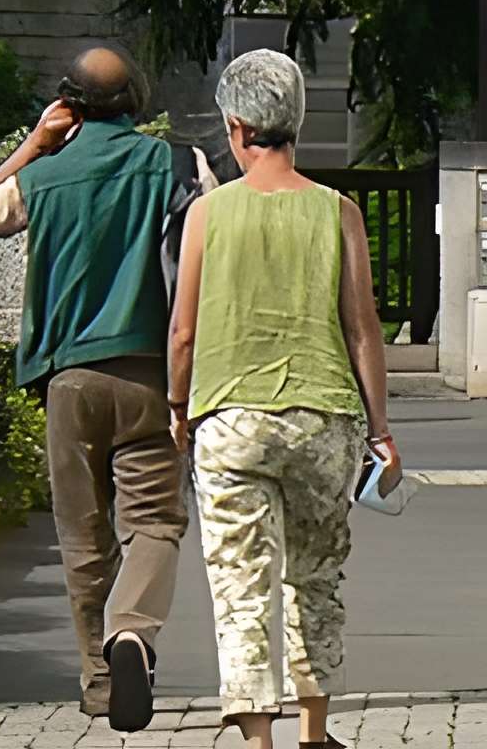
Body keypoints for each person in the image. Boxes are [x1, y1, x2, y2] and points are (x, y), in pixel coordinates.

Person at [168, 49, 401, 746]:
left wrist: (178, 408)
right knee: (315, 576)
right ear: (295, 122)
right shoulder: (338, 211)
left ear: (236, 127)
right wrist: (380, 428)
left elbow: (183, 330)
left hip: (230, 417)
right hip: (323, 416)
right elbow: (364, 329)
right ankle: (315, 728)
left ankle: (257, 740)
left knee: (241, 584)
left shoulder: (208, 214)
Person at [0, 44, 195, 730]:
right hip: (148, 371)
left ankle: (98, 683)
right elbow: (207, 233)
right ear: (137, 102)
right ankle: (132, 631)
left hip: (67, 377)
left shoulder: (45, 176)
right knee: (154, 521)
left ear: (69, 104)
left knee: (83, 536)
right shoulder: (170, 164)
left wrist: (34, 143)